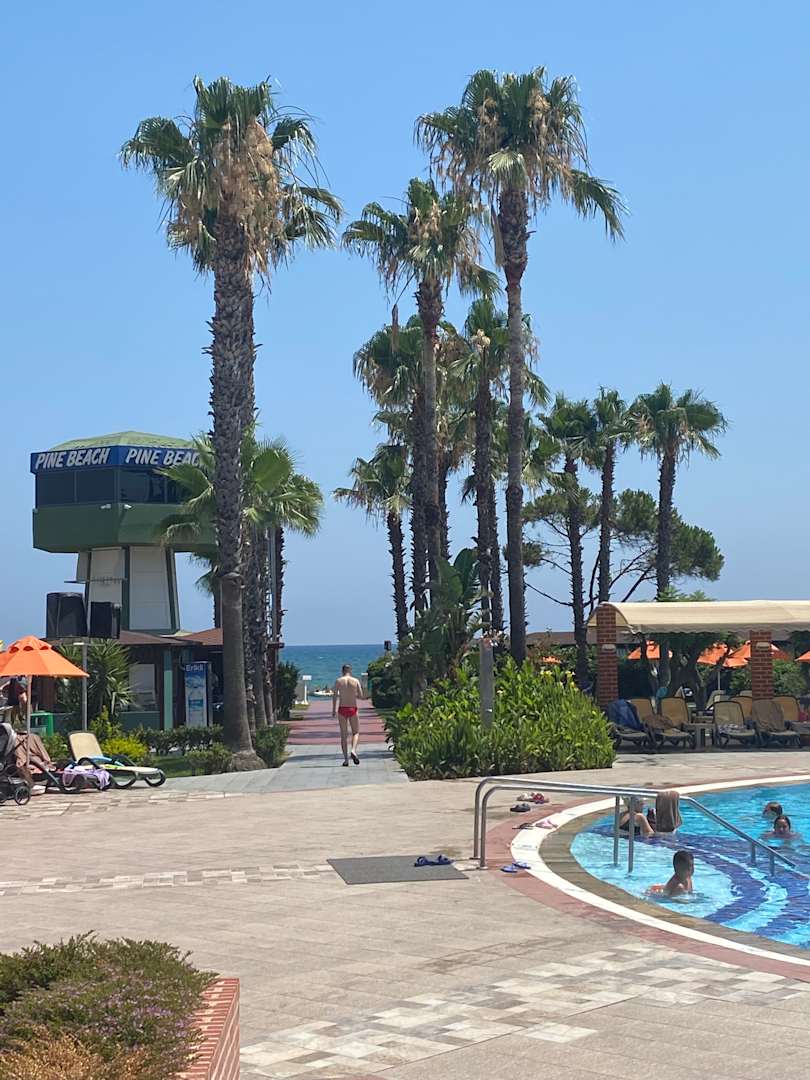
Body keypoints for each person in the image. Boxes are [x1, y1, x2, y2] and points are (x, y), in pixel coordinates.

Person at [332, 664, 364, 767]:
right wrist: (353, 694)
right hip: (352, 708)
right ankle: (353, 750)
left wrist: (333, 710)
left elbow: (334, 696)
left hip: (342, 708)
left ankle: (346, 760)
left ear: (342, 671)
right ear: (350, 670)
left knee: (344, 735)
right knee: (356, 732)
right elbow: (361, 696)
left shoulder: (338, 681)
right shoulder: (355, 681)